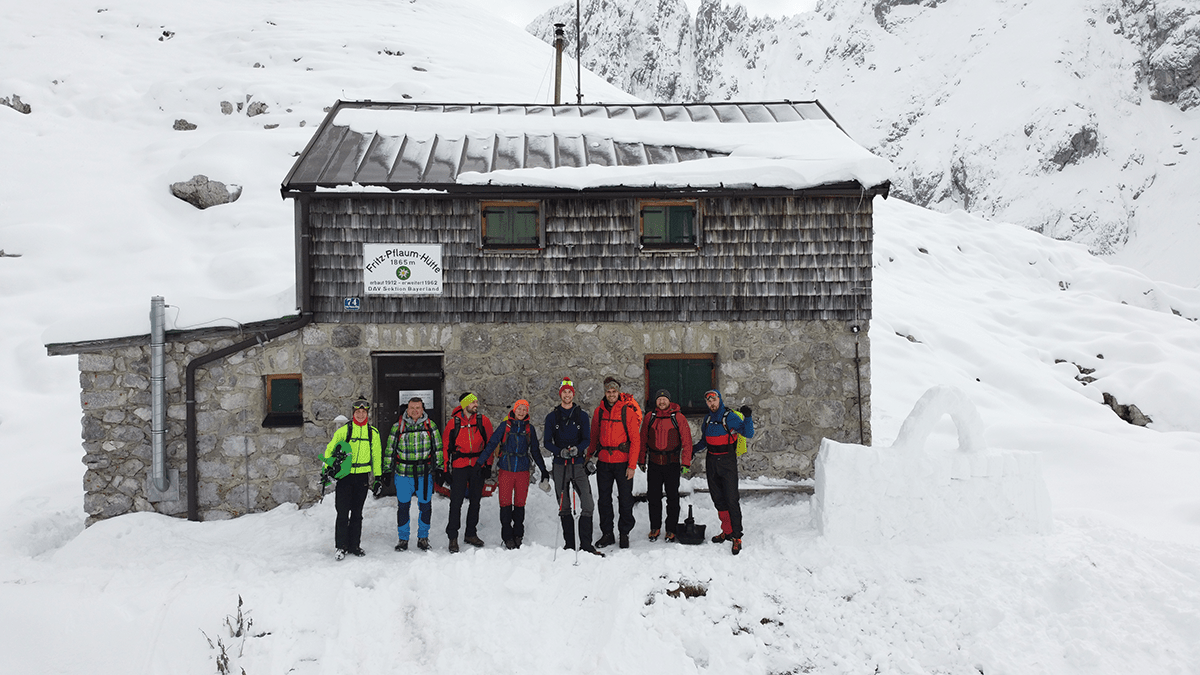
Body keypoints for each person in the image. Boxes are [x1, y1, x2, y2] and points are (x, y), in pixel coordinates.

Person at [542, 377, 602, 556]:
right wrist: (559, 451)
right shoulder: (552, 416)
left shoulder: (581, 415)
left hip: (577, 464)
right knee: (564, 505)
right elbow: (547, 442)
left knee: (588, 503)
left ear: (573, 394)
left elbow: (587, 439)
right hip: (560, 464)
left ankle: (586, 544)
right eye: (564, 392)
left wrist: (578, 449)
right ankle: (569, 544)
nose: (567, 395)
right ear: (560, 394)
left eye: (569, 392)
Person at [479, 399, 549, 549]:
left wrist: (543, 470)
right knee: (505, 503)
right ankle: (507, 536)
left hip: (523, 471)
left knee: (519, 503)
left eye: (525, 409)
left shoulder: (529, 429)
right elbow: (492, 444)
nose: (522, 412)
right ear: (514, 410)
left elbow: (535, 451)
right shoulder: (505, 426)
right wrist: (480, 463)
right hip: (506, 469)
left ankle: (518, 534)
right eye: (519, 409)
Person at [692, 389, 754, 555]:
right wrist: (693, 450)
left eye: (714, 399)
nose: (711, 403)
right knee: (718, 498)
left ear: (719, 399)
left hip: (727, 460)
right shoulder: (708, 418)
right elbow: (704, 441)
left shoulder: (730, 417)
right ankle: (726, 531)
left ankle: (736, 536)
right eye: (708, 401)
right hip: (712, 460)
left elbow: (748, 433)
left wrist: (747, 417)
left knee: (731, 498)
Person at [324, 398, 382, 560]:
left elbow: (377, 456)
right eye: (358, 412)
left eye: (364, 412)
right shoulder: (345, 431)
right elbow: (331, 447)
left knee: (357, 513)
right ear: (353, 413)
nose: (361, 415)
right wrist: (328, 466)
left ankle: (354, 545)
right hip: (345, 476)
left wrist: (378, 477)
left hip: (362, 476)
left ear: (367, 414)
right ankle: (340, 546)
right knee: (342, 512)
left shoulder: (373, 433)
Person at [588, 376, 642, 549]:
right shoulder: (600, 411)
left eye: (614, 391)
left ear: (618, 392)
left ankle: (624, 532)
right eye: (608, 391)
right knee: (604, 500)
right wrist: (588, 456)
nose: (611, 394)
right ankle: (607, 533)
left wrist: (632, 466)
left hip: (623, 462)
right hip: (604, 462)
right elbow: (594, 436)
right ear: (605, 392)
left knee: (625, 499)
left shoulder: (627, 411)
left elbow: (635, 440)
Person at [386, 397, 443, 552]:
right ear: (407, 409)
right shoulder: (398, 427)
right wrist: (386, 470)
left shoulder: (430, 426)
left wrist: (439, 468)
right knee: (403, 507)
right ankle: (403, 539)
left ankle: (423, 538)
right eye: (412, 408)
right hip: (404, 473)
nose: (415, 411)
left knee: (425, 507)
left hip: (424, 474)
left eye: (418, 408)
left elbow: (438, 448)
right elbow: (390, 449)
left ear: (422, 409)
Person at [638, 389, 693, 543]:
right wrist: (641, 460)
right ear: (655, 402)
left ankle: (671, 529)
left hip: (672, 463)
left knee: (672, 498)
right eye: (659, 399)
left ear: (669, 401)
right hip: (654, 463)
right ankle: (655, 527)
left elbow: (687, 441)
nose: (662, 402)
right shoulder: (650, 417)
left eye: (664, 399)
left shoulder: (678, 417)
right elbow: (643, 439)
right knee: (653, 497)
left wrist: (686, 462)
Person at [441, 392, 494, 553]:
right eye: (473, 403)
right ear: (465, 405)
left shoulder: (482, 421)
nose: (476, 405)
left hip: (477, 465)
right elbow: (445, 447)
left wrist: (488, 465)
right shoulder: (453, 423)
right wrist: (445, 469)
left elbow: (489, 445)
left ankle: (471, 533)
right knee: (456, 502)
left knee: (475, 501)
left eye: (476, 402)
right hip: (459, 466)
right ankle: (453, 537)